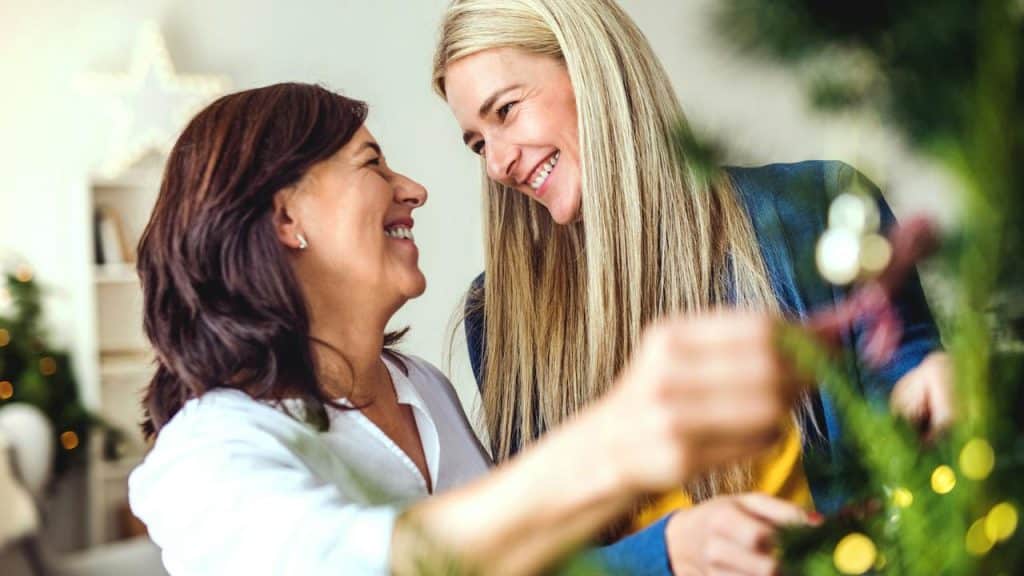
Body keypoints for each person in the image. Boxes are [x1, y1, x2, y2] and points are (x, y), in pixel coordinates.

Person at [127, 82, 807, 576]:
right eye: (371, 164)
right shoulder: (205, 452)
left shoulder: (421, 388)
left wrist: (670, 549)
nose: (414, 188)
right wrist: (615, 444)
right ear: (285, 219)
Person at [432, 0, 953, 573]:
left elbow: (912, 398)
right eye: (478, 143)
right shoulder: (503, 317)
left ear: (592, 69)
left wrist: (936, 389)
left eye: (505, 111)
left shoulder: (818, 208)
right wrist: (671, 551)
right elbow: (547, 554)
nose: (497, 165)